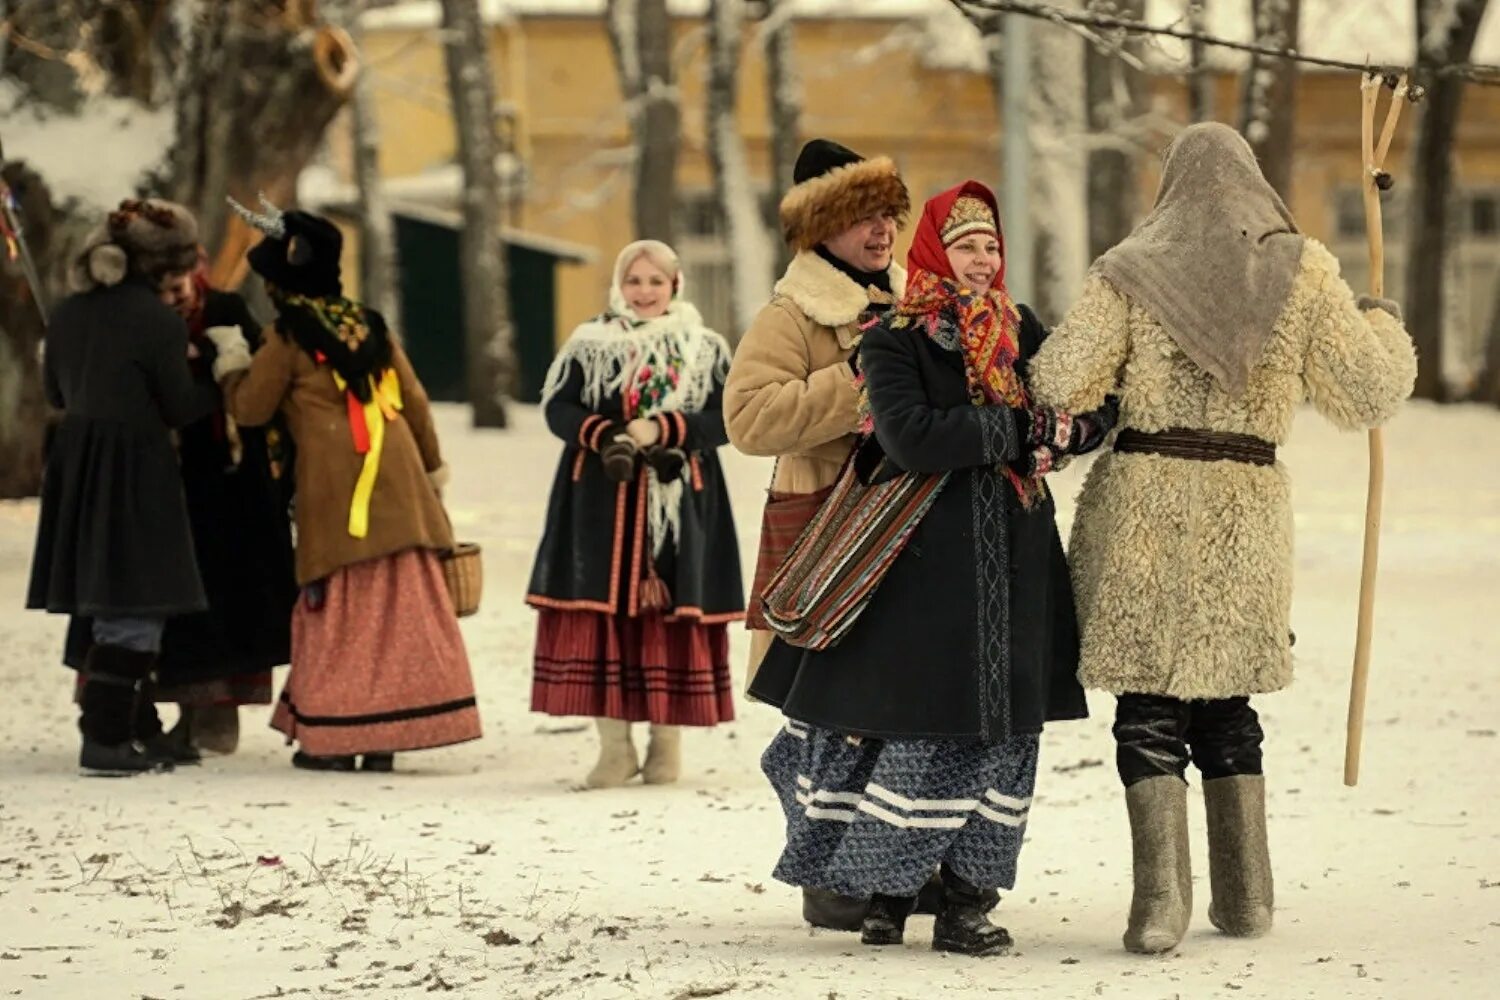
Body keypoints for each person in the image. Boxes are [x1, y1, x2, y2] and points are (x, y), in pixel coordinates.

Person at [1028, 122, 1418, 954]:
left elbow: (1059, 379)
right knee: (1227, 702)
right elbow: (1369, 393)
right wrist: (1381, 322)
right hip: (1247, 509)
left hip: (1142, 506)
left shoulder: (1129, 269)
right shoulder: (1304, 269)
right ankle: (1246, 900)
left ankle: (1158, 908)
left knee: (1148, 704)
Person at [749, 181, 1116, 955]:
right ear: (933, 254)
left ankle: (968, 901)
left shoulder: (1022, 331)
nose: (981, 261)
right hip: (922, 563)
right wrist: (1021, 428)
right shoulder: (895, 336)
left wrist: (1062, 431)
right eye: (965, 246)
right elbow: (912, 436)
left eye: (991, 247)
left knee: (1003, 731)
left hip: (1016, 561)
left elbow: (1094, 408)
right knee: (918, 727)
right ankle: (889, 894)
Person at [209, 198, 481, 772]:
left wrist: (231, 362)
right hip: (401, 488)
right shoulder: (370, 326)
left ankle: (334, 737)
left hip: (336, 500)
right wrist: (432, 473)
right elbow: (414, 403)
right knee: (400, 615)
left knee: (342, 617)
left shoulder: (287, 339)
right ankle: (385, 736)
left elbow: (253, 411)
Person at [723, 139, 911, 928]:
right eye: (862, 217)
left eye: (888, 215)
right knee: (828, 709)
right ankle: (826, 875)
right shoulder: (792, 313)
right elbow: (748, 417)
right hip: (823, 533)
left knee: (896, 706)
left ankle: (891, 869)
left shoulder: (911, 300)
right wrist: (863, 376)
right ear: (820, 230)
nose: (881, 232)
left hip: (902, 528)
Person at [62, 222, 297, 758]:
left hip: (220, 484)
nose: (178, 294)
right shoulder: (126, 322)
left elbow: (259, 394)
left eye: (185, 280)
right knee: (135, 601)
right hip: (142, 483)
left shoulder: (226, 310)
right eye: (167, 286)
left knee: (216, 601)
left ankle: (207, 712)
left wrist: (230, 373)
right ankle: (127, 716)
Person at [527, 240, 743, 787]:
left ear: (676, 285)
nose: (644, 292)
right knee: (604, 613)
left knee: (668, 612)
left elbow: (726, 419)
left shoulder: (706, 348)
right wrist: (606, 436)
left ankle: (665, 746)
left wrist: (666, 430)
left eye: (655, 281)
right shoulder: (590, 343)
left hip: (679, 502)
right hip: (601, 499)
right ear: (619, 286)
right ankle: (614, 748)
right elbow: (558, 408)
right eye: (634, 281)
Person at [27, 198, 216, 775]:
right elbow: (181, 408)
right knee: (136, 600)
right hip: (134, 463)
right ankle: (106, 737)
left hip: (78, 461)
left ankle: (134, 728)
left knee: (109, 597)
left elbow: (56, 394)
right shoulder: (158, 322)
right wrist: (214, 367)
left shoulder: (66, 314)